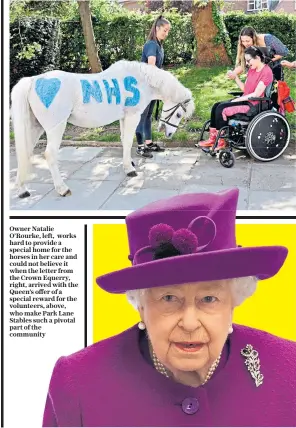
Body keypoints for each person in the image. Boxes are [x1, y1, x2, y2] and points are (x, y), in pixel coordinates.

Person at [42, 188, 296, 427]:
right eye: (169, 298)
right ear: (140, 305)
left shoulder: (289, 367)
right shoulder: (77, 381)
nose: (189, 323)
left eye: (208, 299)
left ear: (234, 301)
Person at [199, 46, 273, 150]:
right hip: (245, 100)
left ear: (257, 58)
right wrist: (236, 77)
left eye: (248, 61)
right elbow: (245, 89)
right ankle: (212, 139)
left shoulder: (266, 72)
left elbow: (256, 94)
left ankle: (221, 141)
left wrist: (238, 100)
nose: (247, 64)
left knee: (222, 109)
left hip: (254, 105)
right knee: (216, 106)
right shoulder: (252, 70)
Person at [135, 15, 171, 158]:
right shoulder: (151, 44)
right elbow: (151, 66)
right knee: (142, 116)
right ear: (157, 28)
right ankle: (140, 147)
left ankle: (148, 143)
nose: (166, 33)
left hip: (153, 86)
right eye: (164, 30)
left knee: (148, 115)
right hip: (146, 86)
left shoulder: (158, 45)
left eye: (168, 31)